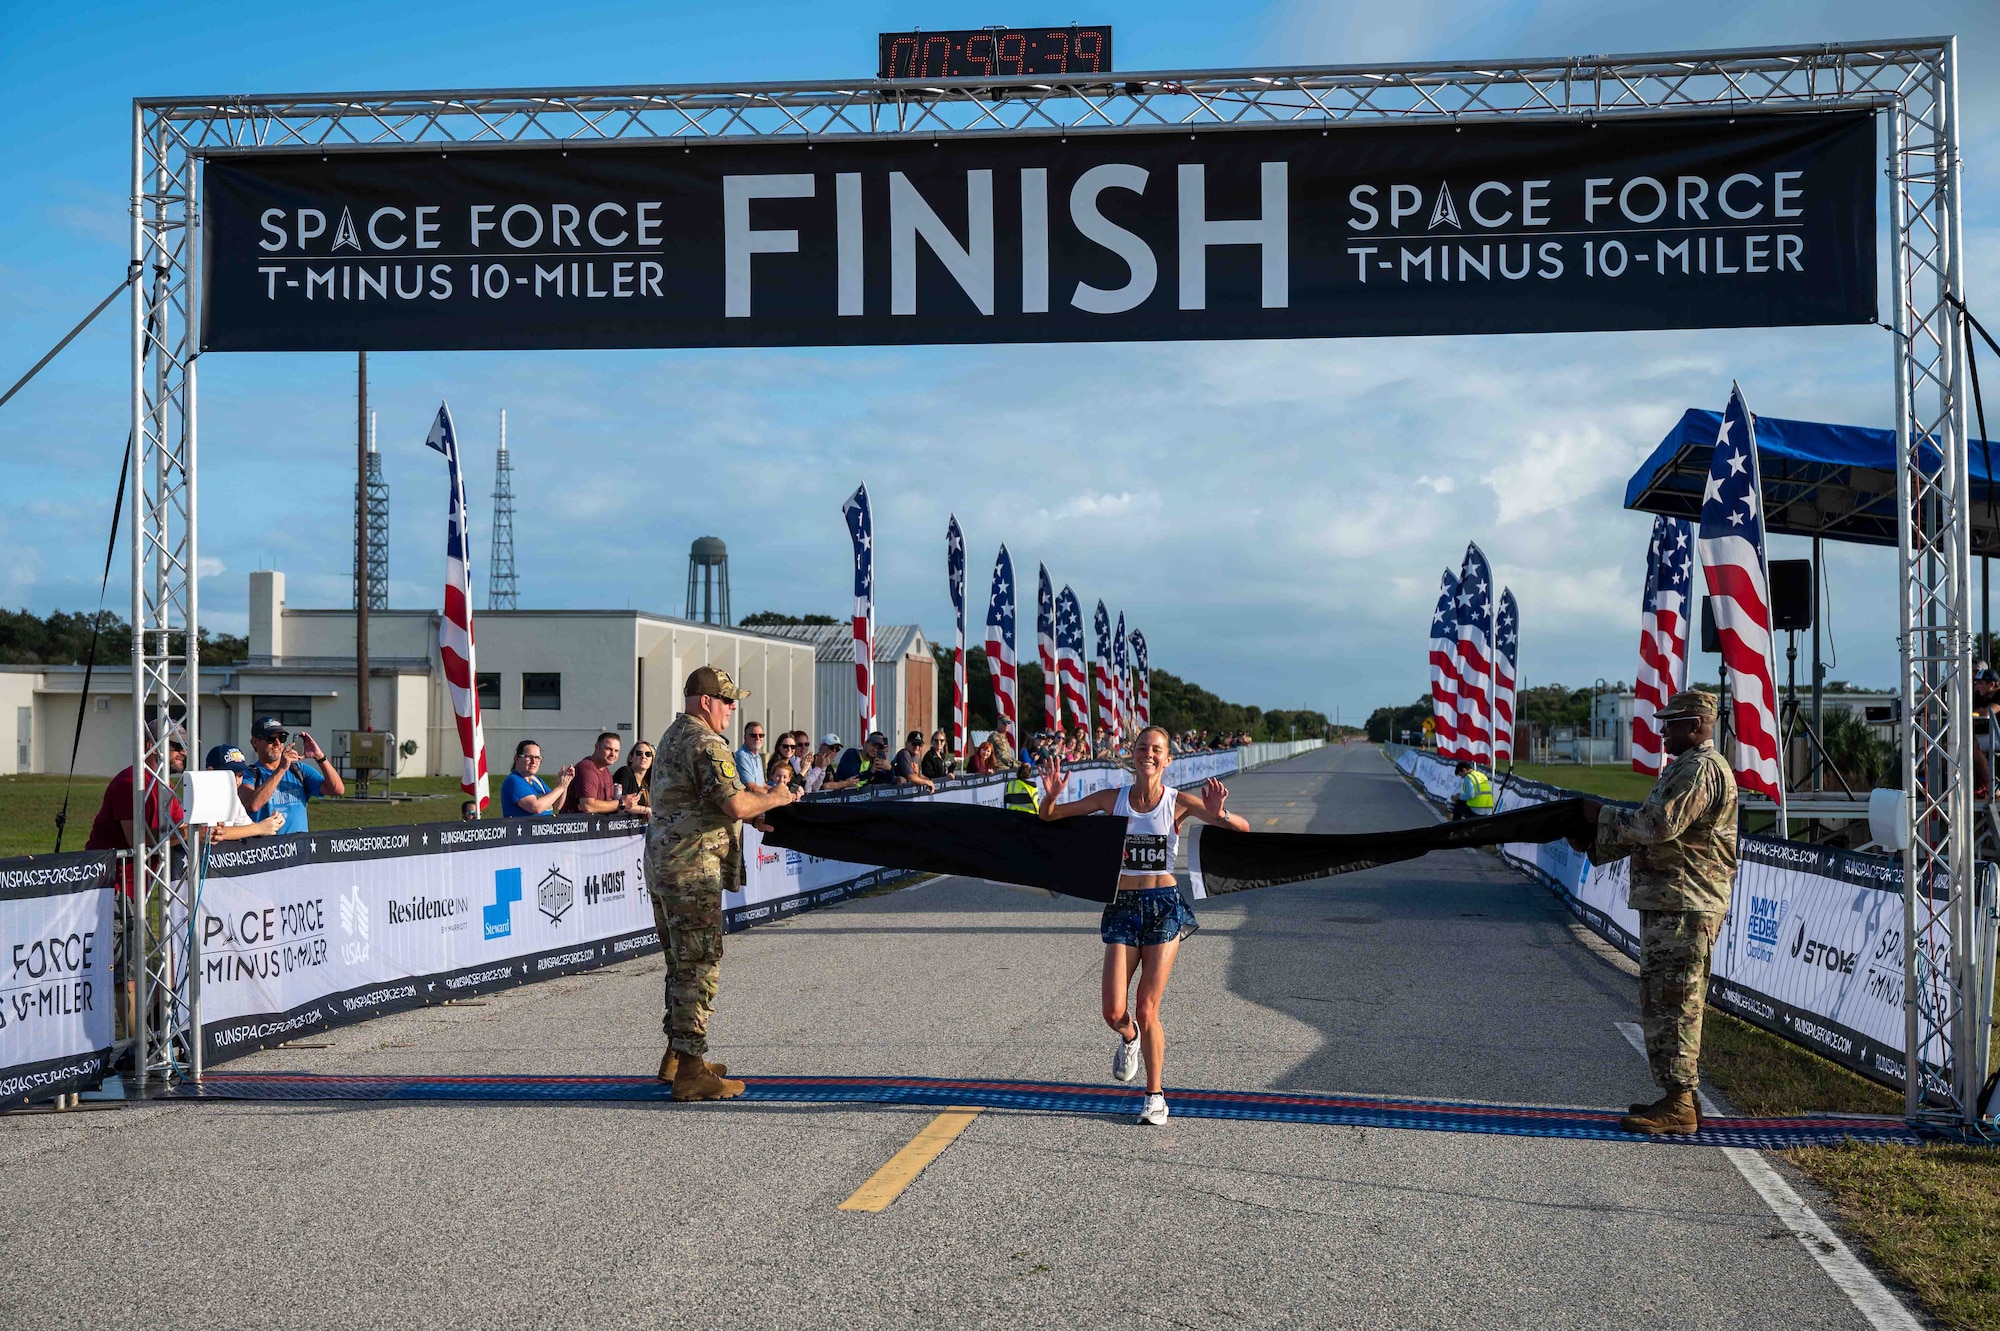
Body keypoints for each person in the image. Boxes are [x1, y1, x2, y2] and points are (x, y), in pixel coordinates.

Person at [1037, 725, 1250, 1126]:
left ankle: (1155, 1096)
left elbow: (1242, 829)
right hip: (1122, 904)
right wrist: (1049, 798)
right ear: (1132, 755)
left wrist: (1219, 811)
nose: (1148, 754)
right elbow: (1051, 817)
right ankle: (1129, 1038)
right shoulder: (1111, 799)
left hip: (1163, 906)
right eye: (1142, 748)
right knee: (1114, 1012)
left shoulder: (1178, 802)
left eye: (1157, 750)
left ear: (1168, 759)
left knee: (1147, 1008)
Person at [1566, 690, 1739, 1135]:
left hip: (1686, 904)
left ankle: (1680, 1103)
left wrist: (1597, 815)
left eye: (1673, 722)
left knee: (1675, 1003)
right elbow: (1652, 828)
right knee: (1663, 1000)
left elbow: (1657, 826)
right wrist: (1596, 840)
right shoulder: (1684, 767)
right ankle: (1679, 1096)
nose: (1663, 730)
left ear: (1699, 724)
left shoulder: (1699, 769)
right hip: (1672, 902)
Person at [645, 666, 801, 1101]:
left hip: (666, 864)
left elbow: (708, 802)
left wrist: (757, 811)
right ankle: (691, 1072)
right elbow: (734, 803)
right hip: (691, 869)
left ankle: (677, 1057)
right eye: (727, 700)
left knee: (680, 962)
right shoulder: (705, 741)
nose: (733, 708)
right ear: (705, 701)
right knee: (698, 966)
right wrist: (777, 796)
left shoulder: (675, 733)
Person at [237, 717, 345, 834]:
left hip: (299, 849)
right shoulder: (248, 774)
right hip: (267, 849)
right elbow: (252, 805)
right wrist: (282, 769)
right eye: (270, 739)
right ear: (255, 742)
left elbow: (337, 789)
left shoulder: (298, 770)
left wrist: (319, 757)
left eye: (281, 738)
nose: (277, 743)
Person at [201, 745, 287, 840]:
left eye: (240, 775)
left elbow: (246, 826)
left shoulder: (232, 797)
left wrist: (271, 824)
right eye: (231, 775)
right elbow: (214, 833)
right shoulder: (203, 796)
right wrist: (259, 828)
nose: (237, 782)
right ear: (211, 772)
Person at [565, 732, 642, 815]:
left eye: (616, 751)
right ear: (597, 747)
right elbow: (588, 806)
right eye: (608, 749)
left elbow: (608, 802)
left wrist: (626, 801)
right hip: (575, 825)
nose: (613, 754)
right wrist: (621, 803)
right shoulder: (588, 769)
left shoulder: (605, 771)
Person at [500, 740, 574, 817]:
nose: (534, 761)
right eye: (529, 757)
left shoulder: (537, 781)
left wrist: (565, 783)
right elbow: (535, 807)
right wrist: (560, 788)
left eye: (537, 758)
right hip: (525, 828)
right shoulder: (514, 780)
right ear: (517, 759)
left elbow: (557, 805)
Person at [613, 740, 655, 813]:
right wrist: (647, 810)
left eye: (648, 754)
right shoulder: (625, 772)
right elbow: (620, 804)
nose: (643, 757)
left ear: (652, 761)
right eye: (639, 753)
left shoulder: (650, 781)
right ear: (630, 758)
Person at [734, 722, 769, 793]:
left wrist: (780, 790)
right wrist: (775, 795)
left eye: (761, 735)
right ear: (745, 738)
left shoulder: (758, 757)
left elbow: (762, 785)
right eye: (753, 735)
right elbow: (751, 788)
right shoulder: (741, 756)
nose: (758, 738)